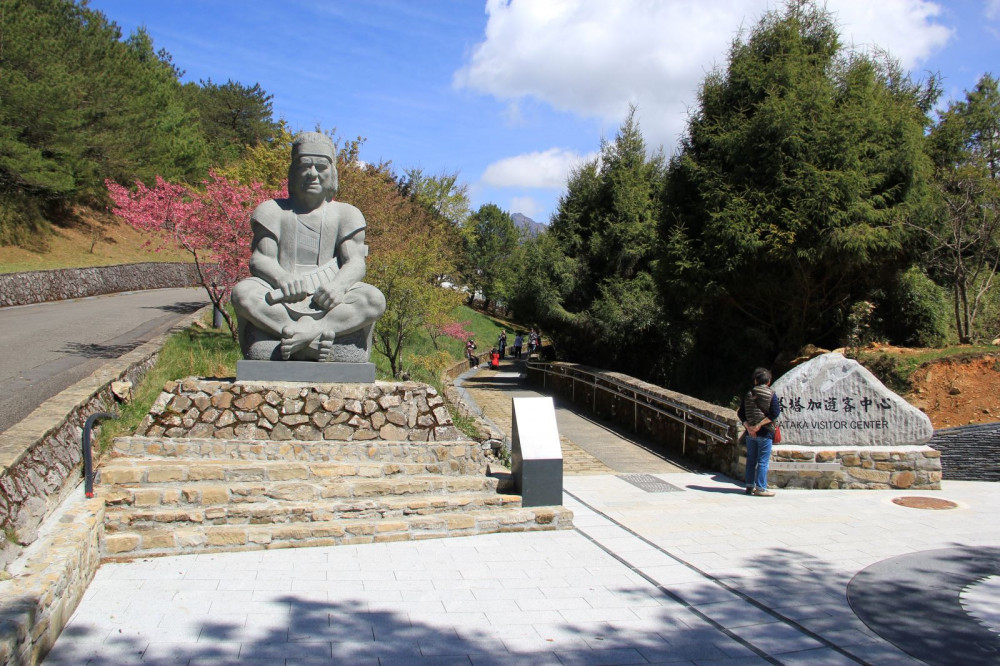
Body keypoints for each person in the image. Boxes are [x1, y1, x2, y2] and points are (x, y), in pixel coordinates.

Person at [232, 132, 386, 362]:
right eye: (305, 165)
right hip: (282, 298)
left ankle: (306, 335)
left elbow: (355, 262)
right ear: (293, 172)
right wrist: (282, 278)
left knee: (373, 299)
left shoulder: (347, 214)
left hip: (329, 301)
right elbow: (261, 259)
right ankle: (304, 339)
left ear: (332, 173)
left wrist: (338, 286)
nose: (313, 174)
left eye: (321, 166)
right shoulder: (272, 210)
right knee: (243, 293)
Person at [737, 367, 781, 496]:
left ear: (756, 381)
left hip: (751, 433)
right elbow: (775, 413)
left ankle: (749, 486)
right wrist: (759, 425)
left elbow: (741, 413)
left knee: (751, 460)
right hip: (765, 432)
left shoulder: (749, 393)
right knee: (762, 461)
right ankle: (761, 488)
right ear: (768, 381)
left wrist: (749, 427)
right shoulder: (771, 394)